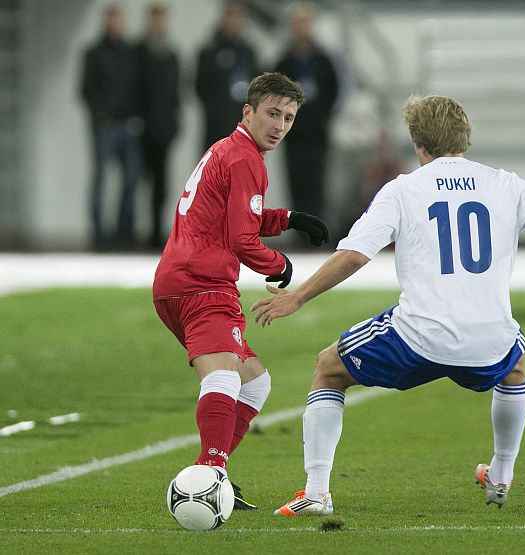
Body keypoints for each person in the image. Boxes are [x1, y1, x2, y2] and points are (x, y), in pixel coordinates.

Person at [250, 94, 525, 516]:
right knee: (515, 362)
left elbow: (355, 254)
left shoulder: (403, 189)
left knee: (328, 368)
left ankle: (316, 493)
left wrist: (297, 296)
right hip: (488, 342)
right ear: (465, 138)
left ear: (417, 143)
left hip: (418, 338)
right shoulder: (506, 184)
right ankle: (501, 473)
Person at [153, 72, 330, 511]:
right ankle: (211, 475)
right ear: (247, 112)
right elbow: (241, 241)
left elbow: (236, 217)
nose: (280, 125)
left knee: (255, 384)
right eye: (272, 113)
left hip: (180, 280)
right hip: (202, 284)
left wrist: (288, 218)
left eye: (288, 118)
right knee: (224, 376)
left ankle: (213, 472)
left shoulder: (230, 150)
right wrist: (282, 266)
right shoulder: (245, 159)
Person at [274, 2, 340, 233]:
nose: (302, 28)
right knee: (295, 182)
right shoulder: (284, 62)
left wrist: (322, 117)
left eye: (306, 23)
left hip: (317, 134)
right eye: (297, 23)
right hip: (292, 134)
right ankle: (299, 231)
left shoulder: (323, 61)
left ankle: (317, 230)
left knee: (317, 183)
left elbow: (334, 92)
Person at [80, 3, 141, 250]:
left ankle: (123, 232)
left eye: (119, 20)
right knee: (101, 179)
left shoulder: (130, 53)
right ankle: (98, 234)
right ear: (106, 23)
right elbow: (85, 89)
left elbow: (137, 87)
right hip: (105, 125)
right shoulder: (94, 53)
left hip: (128, 124)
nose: (116, 25)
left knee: (131, 179)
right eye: (112, 20)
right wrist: (99, 114)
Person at [136, 3, 181, 249]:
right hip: (142, 129)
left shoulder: (171, 55)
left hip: (163, 130)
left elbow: (175, 93)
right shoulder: (139, 53)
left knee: (161, 183)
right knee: (137, 181)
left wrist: (174, 123)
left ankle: (155, 231)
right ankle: (130, 231)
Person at [195, 2, 258, 152]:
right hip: (215, 128)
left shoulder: (249, 53)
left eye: (237, 17)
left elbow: (258, 87)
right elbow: (200, 85)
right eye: (230, 16)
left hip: (242, 128)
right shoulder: (209, 51)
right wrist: (215, 110)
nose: (233, 22)